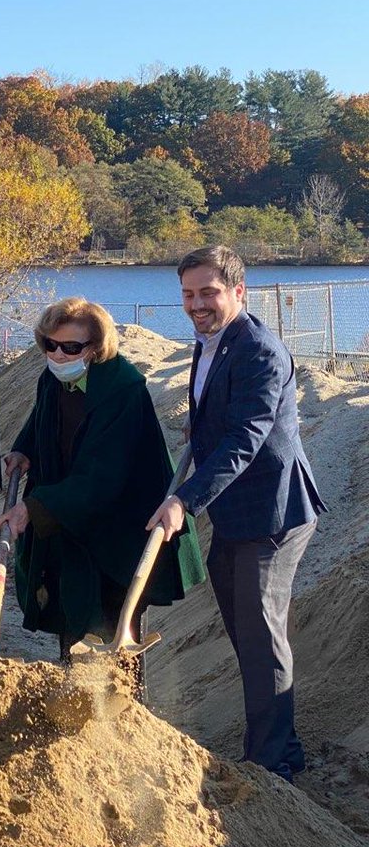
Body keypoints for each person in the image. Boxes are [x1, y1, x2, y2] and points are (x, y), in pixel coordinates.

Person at [148, 246, 325, 782]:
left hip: (272, 513)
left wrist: (184, 499)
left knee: (260, 635)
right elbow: (215, 419)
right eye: (187, 294)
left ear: (238, 291)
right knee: (245, 631)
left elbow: (246, 438)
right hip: (234, 511)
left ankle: (274, 765)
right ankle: (275, 745)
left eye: (208, 293)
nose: (196, 304)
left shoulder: (259, 351)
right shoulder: (210, 343)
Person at [0, 298, 205, 690]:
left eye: (71, 347)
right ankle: (74, 710)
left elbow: (101, 478)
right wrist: (24, 446)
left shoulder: (122, 391)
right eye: (50, 345)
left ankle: (124, 721)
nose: (59, 354)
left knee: (113, 633)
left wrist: (33, 508)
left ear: (95, 348)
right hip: (72, 519)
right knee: (71, 618)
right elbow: (42, 417)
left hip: (120, 531)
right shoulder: (53, 378)